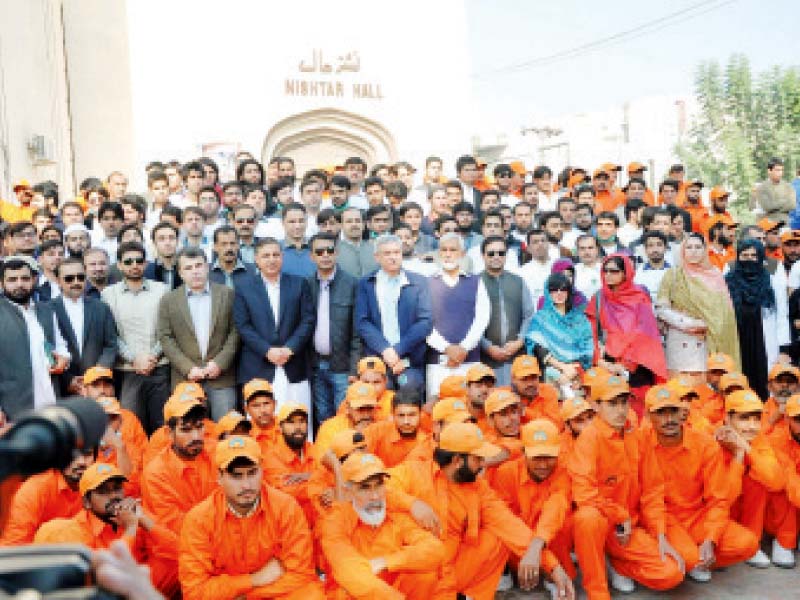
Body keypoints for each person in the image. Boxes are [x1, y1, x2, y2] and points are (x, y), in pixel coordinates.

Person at [388, 421, 575, 599]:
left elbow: (509, 525)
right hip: (413, 571)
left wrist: (552, 566)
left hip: (450, 570)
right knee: (421, 576)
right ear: (457, 460)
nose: (483, 463)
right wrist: (412, 504)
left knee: (498, 538)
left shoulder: (479, 488)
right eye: (477, 458)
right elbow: (378, 488)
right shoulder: (413, 472)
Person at [568, 376, 684, 599]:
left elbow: (652, 490)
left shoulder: (637, 437)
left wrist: (660, 535)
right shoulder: (588, 440)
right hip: (605, 525)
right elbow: (584, 494)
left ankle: (619, 565)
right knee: (587, 518)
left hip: (630, 529)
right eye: (613, 404)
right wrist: (620, 515)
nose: (620, 410)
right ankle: (597, 591)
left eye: (624, 402)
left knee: (673, 572)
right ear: (595, 405)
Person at [178, 435, 325, 600]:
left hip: (266, 593)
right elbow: (194, 591)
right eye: (236, 476)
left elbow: (301, 573)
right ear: (219, 477)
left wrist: (247, 596)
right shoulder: (199, 520)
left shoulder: (286, 507)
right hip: (242, 592)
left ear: (262, 471)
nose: (246, 485)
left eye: (252, 473)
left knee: (312, 595)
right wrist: (253, 580)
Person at [643, 385, 758, 583]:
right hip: (666, 519)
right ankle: (689, 559)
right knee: (685, 562)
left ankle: (697, 559)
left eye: (673, 412)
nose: (669, 420)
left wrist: (711, 539)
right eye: (661, 413)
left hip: (697, 517)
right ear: (648, 416)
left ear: (683, 413)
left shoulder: (704, 444)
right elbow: (649, 498)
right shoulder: (641, 443)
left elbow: (718, 499)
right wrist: (659, 532)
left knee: (747, 544)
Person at [34, 463, 178, 596]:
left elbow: (178, 553)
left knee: (175, 563)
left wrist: (145, 521)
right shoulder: (69, 531)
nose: (114, 496)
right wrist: (130, 530)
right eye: (103, 491)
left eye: (117, 488)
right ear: (86, 503)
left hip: (133, 589)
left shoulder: (134, 516)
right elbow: (108, 579)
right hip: (98, 593)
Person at [319, 452, 445, 599]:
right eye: (365, 488)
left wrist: (386, 562)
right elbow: (351, 572)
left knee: (425, 576)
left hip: (390, 586)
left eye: (379, 485)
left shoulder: (393, 513)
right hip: (358, 594)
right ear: (348, 492)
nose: (375, 496)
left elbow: (435, 549)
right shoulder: (334, 522)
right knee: (347, 590)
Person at [157, 247, 239, 420]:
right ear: (180, 273)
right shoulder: (169, 300)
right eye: (188, 268)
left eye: (198, 265)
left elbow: (236, 332)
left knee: (225, 430)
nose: (195, 271)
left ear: (207, 267)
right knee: (189, 431)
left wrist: (219, 363)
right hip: (186, 379)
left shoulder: (227, 295)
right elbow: (166, 337)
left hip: (221, 378)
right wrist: (188, 368)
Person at [234, 237, 315, 413]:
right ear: (256, 259)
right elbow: (243, 325)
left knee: (297, 419)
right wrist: (267, 350)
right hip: (259, 365)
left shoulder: (299, 284)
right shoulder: (243, 287)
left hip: (294, 365)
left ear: (282, 257)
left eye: (275, 255)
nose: (271, 260)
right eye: (266, 256)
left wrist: (290, 348)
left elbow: (307, 320)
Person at [491, 419, 576, 584]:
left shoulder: (562, 471)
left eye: (549, 457)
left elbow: (555, 509)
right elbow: (504, 521)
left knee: (565, 522)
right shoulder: (505, 473)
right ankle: (506, 571)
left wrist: (536, 547)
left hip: (544, 542)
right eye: (537, 458)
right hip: (517, 544)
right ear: (523, 452)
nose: (543, 465)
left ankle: (552, 577)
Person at [102, 242, 170, 433]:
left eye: (139, 261)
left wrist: (152, 357)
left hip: (160, 367)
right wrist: (134, 359)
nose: (134, 265)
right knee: (131, 427)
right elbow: (110, 334)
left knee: (162, 426)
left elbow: (168, 329)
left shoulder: (162, 290)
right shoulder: (108, 295)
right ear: (119, 265)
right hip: (127, 370)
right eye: (128, 261)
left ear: (146, 263)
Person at [716, 389, 788, 568]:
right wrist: (737, 459)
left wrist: (745, 450)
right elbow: (723, 498)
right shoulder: (712, 440)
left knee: (759, 480)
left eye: (756, 419)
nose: (752, 426)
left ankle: (751, 544)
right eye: (744, 418)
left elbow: (776, 482)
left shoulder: (758, 440)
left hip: (737, 513)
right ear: (727, 418)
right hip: (712, 516)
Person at [585, 254, 666, 411]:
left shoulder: (639, 297)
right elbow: (591, 333)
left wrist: (625, 366)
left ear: (625, 273)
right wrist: (600, 361)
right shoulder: (599, 298)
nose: (608, 275)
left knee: (637, 411)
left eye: (614, 271)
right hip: (608, 362)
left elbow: (644, 335)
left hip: (637, 364)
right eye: (605, 271)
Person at [656, 234, 740, 378]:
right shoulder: (674, 274)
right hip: (681, 341)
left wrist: (710, 324)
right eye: (689, 247)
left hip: (710, 341)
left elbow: (725, 312)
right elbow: (661, 309)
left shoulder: (715, 275)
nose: (693, 251)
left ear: (705, 250)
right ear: (683, 251)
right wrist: (690, 324)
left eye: (698, 247)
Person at [355, 235, 433, 389]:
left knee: (408, 404)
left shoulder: (418, 282)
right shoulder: (366, 283)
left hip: (410, 359)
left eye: (397, 252)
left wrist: (397, 351)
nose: (393, 257)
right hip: (377, 360)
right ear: (377, 257)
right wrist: (385, 350)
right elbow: (362, 322)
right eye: (387, 253)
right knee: (380, 407)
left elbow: (425, 321)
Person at [0, 256, 68, 420]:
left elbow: (59, 346)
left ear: (34, 280)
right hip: (13, 405)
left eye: (25, 278)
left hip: (49, 398)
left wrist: (63, 358)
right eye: (12, 280)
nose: (19, 284)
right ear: (2, 284)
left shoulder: (46, 310)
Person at [425, 233, 490, 399]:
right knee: (439, 409)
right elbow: (423, 322)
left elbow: (482, 318)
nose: (448, 254)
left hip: (469, 359)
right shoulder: (427, 283)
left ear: (462, 253)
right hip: (438, 361)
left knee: (470, 408)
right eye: (444, 250)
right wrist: (447, 349)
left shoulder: (475, 281)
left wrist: (463, 349)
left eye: (453, 250)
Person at [726, 239, 791, 400]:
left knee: (765, 380)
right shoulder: (728, 278)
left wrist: (784, 349)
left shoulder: (770, 279)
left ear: (760, 257)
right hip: (738, 336)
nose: (749, 259)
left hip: (765, 338)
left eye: (754, 255)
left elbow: (782, 313)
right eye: (744, 255)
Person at [307, 232, 359, 424]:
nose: (325, 255)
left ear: (336, 253)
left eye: (330, 251)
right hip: (315, 364)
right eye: (320, 252)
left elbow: (357, 333)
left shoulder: (352, 284)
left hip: (342, 366)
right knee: (322, 417)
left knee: (344, 417)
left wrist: (354, 369)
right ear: (312, 257)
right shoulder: (306, 284)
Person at [50, 257, 117, 396]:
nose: (76, 282)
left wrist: (96, 376)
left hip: (98, 387)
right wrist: (68, 380)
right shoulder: (47, 310)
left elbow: (111, 344)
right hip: (62, 386)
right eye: (69, 278)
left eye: (80, 277)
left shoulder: (101, 307)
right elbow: (47, 351)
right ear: (58, 280)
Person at [0, 449, 94, 545]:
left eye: (87, 454)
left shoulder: (99, 486)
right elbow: (13, 545)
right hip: (38, 556)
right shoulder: (35, 488)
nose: (81, 462)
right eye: (72, 455)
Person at [480, 235, 534, 386]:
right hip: (485, 359)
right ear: (482, 256)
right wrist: (488, 347)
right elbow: (469, 321)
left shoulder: (518, 281)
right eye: (491, 253)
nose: (496, 257)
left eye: (501, 253)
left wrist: (520, 341)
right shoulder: (475, 283)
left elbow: (529, 315)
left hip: (516, 356)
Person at [525, 273, 594, 385]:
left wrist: (575, 370)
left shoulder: (580, 318)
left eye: (563, 289)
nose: (559, 293)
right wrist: (563, 367)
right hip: (552, 374)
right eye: (554, 290)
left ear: (569, 292)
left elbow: (588, 349)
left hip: (577, 374)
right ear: (547, 292)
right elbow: (537, 347)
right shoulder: (541, 318)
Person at [261, 401, 315, 525]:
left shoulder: (313, 449)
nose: (298, 427)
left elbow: (332, 479)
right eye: (291, 422)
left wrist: (310, 476)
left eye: (302, 421)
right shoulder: (271, 457)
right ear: (280, 427)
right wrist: (318, 481)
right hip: (287, 525)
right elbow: (289, 493)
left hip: (316, 524)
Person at [765, 394, 800, 567]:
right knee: (781, 488)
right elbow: (791, 483)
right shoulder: (776, 440)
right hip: (781, 508)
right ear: (786, 418)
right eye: (798, 419)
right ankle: (784, 541)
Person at [363, 387, 430, 468]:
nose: (406, 421)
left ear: (421, 414)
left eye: (412, 415)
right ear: (392, 415)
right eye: (401, 415)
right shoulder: (376, 431)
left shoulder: (427, 442)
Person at [336, 206, 379, 277]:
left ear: (363, 224)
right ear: (341, 225)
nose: (354, 224)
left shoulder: (375, 248)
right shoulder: (334, 250)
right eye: (349, 221)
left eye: (358, 221)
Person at [752, 157, 796, 224]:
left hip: (784, 225)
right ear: (769, 171)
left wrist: (774, 206)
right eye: (777, 170)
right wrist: (784, 201)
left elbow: (792, 205)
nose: (780, 173)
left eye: (781, 170)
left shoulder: (788, 187)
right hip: (768, 227)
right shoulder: (762, 188)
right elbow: (768, 207)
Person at [519, 229, 555, 307]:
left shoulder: (558, 267)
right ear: (528, 248)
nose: (540, 244)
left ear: (549, 244)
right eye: (535, 242)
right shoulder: (522, 273)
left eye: (543, 241)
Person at [633, 231, 671, 303]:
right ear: (645, 249)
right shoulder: (636, 274)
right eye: (650, 245)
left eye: (659, 245)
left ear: (665, 248)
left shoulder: (674, 273)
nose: (655, 249)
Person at [144, 222, 183, 289]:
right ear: (154, 243)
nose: (167, 243)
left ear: (177, 241)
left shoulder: (186, 269)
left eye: (171, 238)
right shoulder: (147, 271)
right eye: (162, 239)